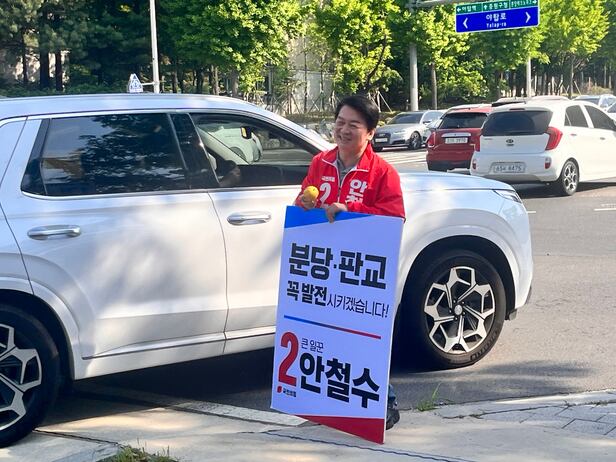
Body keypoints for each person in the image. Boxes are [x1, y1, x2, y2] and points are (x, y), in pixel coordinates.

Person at [295, 94, 405, 430]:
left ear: (370, 132)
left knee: (362, 336)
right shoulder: (320, 163)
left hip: (362, 272)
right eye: (340, 122)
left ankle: (384, 403)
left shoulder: (382, 172)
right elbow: (303, 201)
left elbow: (394, 218)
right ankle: (332, 403)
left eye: (353, 125)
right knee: (327, 335)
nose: (343, 130)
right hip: (324, 268)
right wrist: (304, 203)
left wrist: (351, 210)